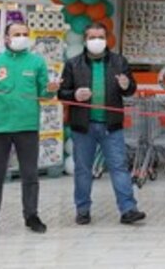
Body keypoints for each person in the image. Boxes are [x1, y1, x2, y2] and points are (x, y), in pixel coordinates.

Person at [0, 22, 59, 241]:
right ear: (6, 38)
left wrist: (50, 90)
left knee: (30, 175)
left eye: (25, 34)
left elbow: (44, 94)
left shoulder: (36, 62)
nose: (21, 37)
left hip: (27, 126)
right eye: (17, 34)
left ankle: (31, 216)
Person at [58, 21, 146, 225]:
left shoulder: (119, 62)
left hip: (111, 126)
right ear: (85, 40)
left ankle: (128, 209)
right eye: (92, 37)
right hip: (83, 126)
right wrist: (74, 95)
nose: (96, 41)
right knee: (83, 169)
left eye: (101, 37)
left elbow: (130, 89)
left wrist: (126, 85)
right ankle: (82, 210)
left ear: (107, 40)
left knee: (119, 167)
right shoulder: (72, 64)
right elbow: (61, 93)